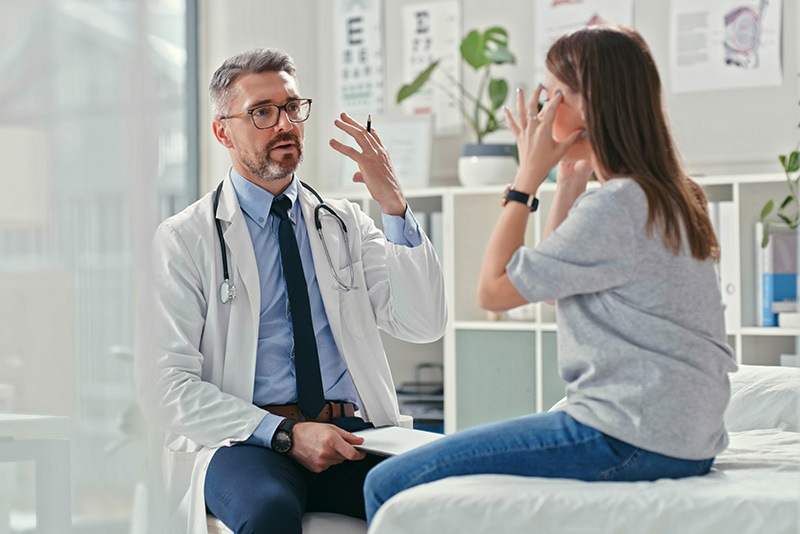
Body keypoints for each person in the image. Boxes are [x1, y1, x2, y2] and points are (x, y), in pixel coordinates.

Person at [363, 24, 737, 524]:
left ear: (592, 107)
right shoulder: (671, 195)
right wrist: (568, 183)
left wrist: (526, 180)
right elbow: (554, 291)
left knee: (386, 482)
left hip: (628, 436)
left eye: (553, 96)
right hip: (682, 439)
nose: (540, 114)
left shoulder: (617, 206)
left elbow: (494, 291)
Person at [134, 48, 447, 534]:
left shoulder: (344, 222)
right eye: (262, 112)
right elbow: (166, 387)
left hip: (351, 435)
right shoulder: (184, 239)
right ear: (222, 131)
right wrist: (284, 434)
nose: (284, 124)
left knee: (448, 497)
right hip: (246, 441)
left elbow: (423, 323)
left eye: (292, 107)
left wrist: (393, 205)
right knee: (269, 513)